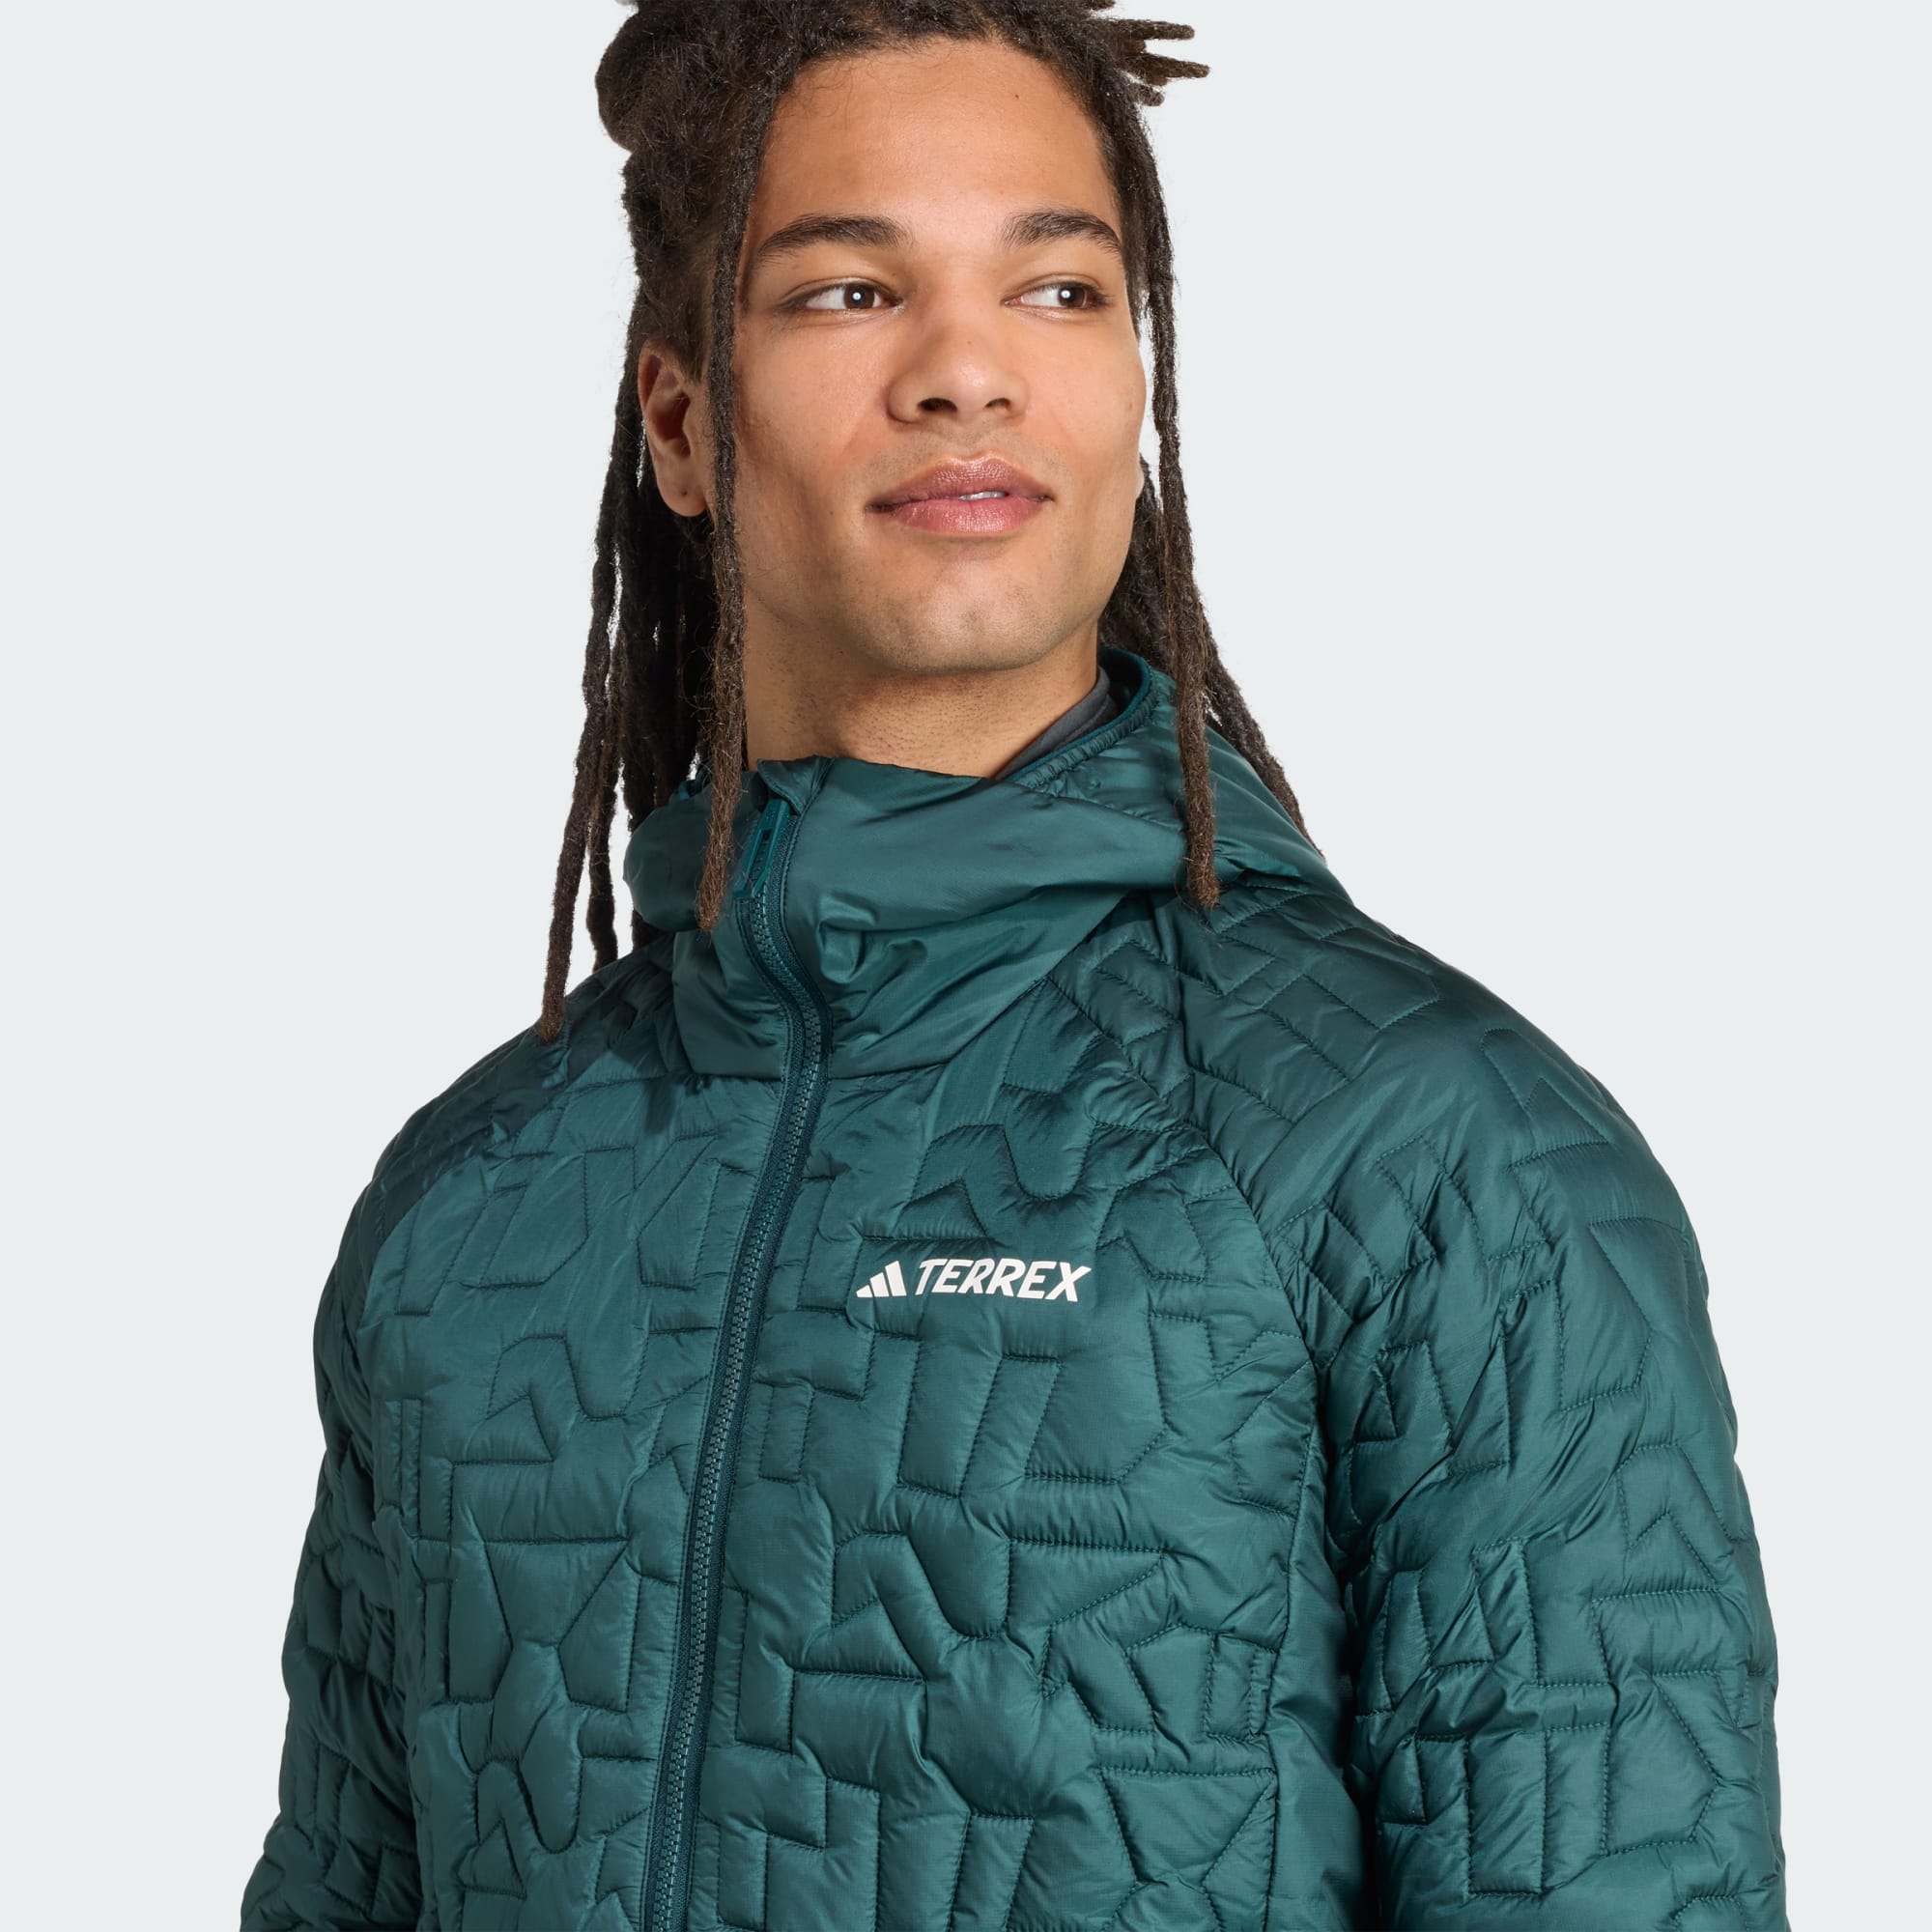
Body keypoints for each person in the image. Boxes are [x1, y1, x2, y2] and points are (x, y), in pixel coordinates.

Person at [239, 5, 1787, 1927]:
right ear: (682, 423)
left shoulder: (1429, 1150)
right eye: (849, 290)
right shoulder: (476, 1204)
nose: (967, 370)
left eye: (1058, 288)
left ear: (1133, 390)